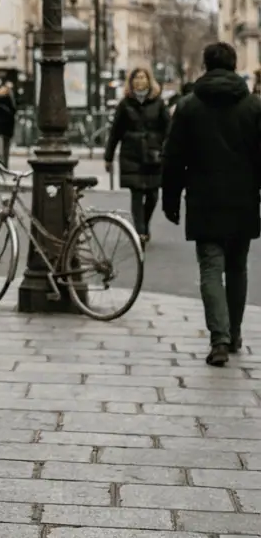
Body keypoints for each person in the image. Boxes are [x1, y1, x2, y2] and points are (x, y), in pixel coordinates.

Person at [162, 41, 261, 367]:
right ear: (234, 66)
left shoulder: (189, 106)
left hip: (204, 198)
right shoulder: (253, 106)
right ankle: (233, 333)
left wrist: (171, 198)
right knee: (237, 268)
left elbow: (173, 157)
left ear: (205, 65)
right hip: (243, 198)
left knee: (210, 268)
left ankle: (218, 339)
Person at [104, 67, 170, 244]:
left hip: (153, 155)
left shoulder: (158, 103)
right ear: (131, 82)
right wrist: (108, 156)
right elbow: (115, 132)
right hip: (131, 154)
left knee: (153, 195)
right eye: (136, 78)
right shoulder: (125, 104)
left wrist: (165, 148)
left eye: (143, 78)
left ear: (149, 81)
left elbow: (168, 129)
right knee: (137, 193)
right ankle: (140, 231)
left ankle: (145, 224)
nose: (139, 81)